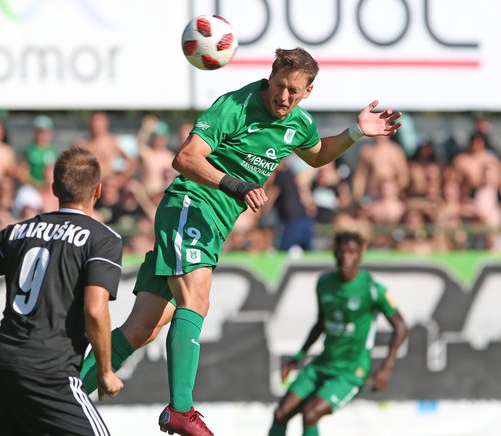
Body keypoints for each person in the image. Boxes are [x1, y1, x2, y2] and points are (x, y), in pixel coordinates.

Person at [80, 47, 402, 436]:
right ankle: (181, 410)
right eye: (279, 86)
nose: (284, 97)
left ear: (308, 91)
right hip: (190, 205)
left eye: (294, 91)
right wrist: (235, 184)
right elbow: (185, 159)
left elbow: (318, 156)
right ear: (270, 78)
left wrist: (355, 132)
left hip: (214, 224)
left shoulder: (298, 123)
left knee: (144, 328)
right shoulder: (234, 105)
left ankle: (69, 389)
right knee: (196, 299)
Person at [0, 146, 124, 435]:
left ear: (54, 189)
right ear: (98, 191)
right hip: (50, 372)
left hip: (0, 366)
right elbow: (94, 308)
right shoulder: (103, 239)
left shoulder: (14, 232)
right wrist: (104, 371)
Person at [267, 231, 407, 436]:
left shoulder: (371, 288)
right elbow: (321, 323)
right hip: (322, 365)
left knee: (310, 413)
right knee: (280, 414)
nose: (346, 257)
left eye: (352, 252)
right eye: (341, 252)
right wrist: (298, 357)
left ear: (360, 256)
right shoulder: (325, 283)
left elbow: (401, 326)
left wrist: (387, 366)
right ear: (334, 254)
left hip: (350, 372)